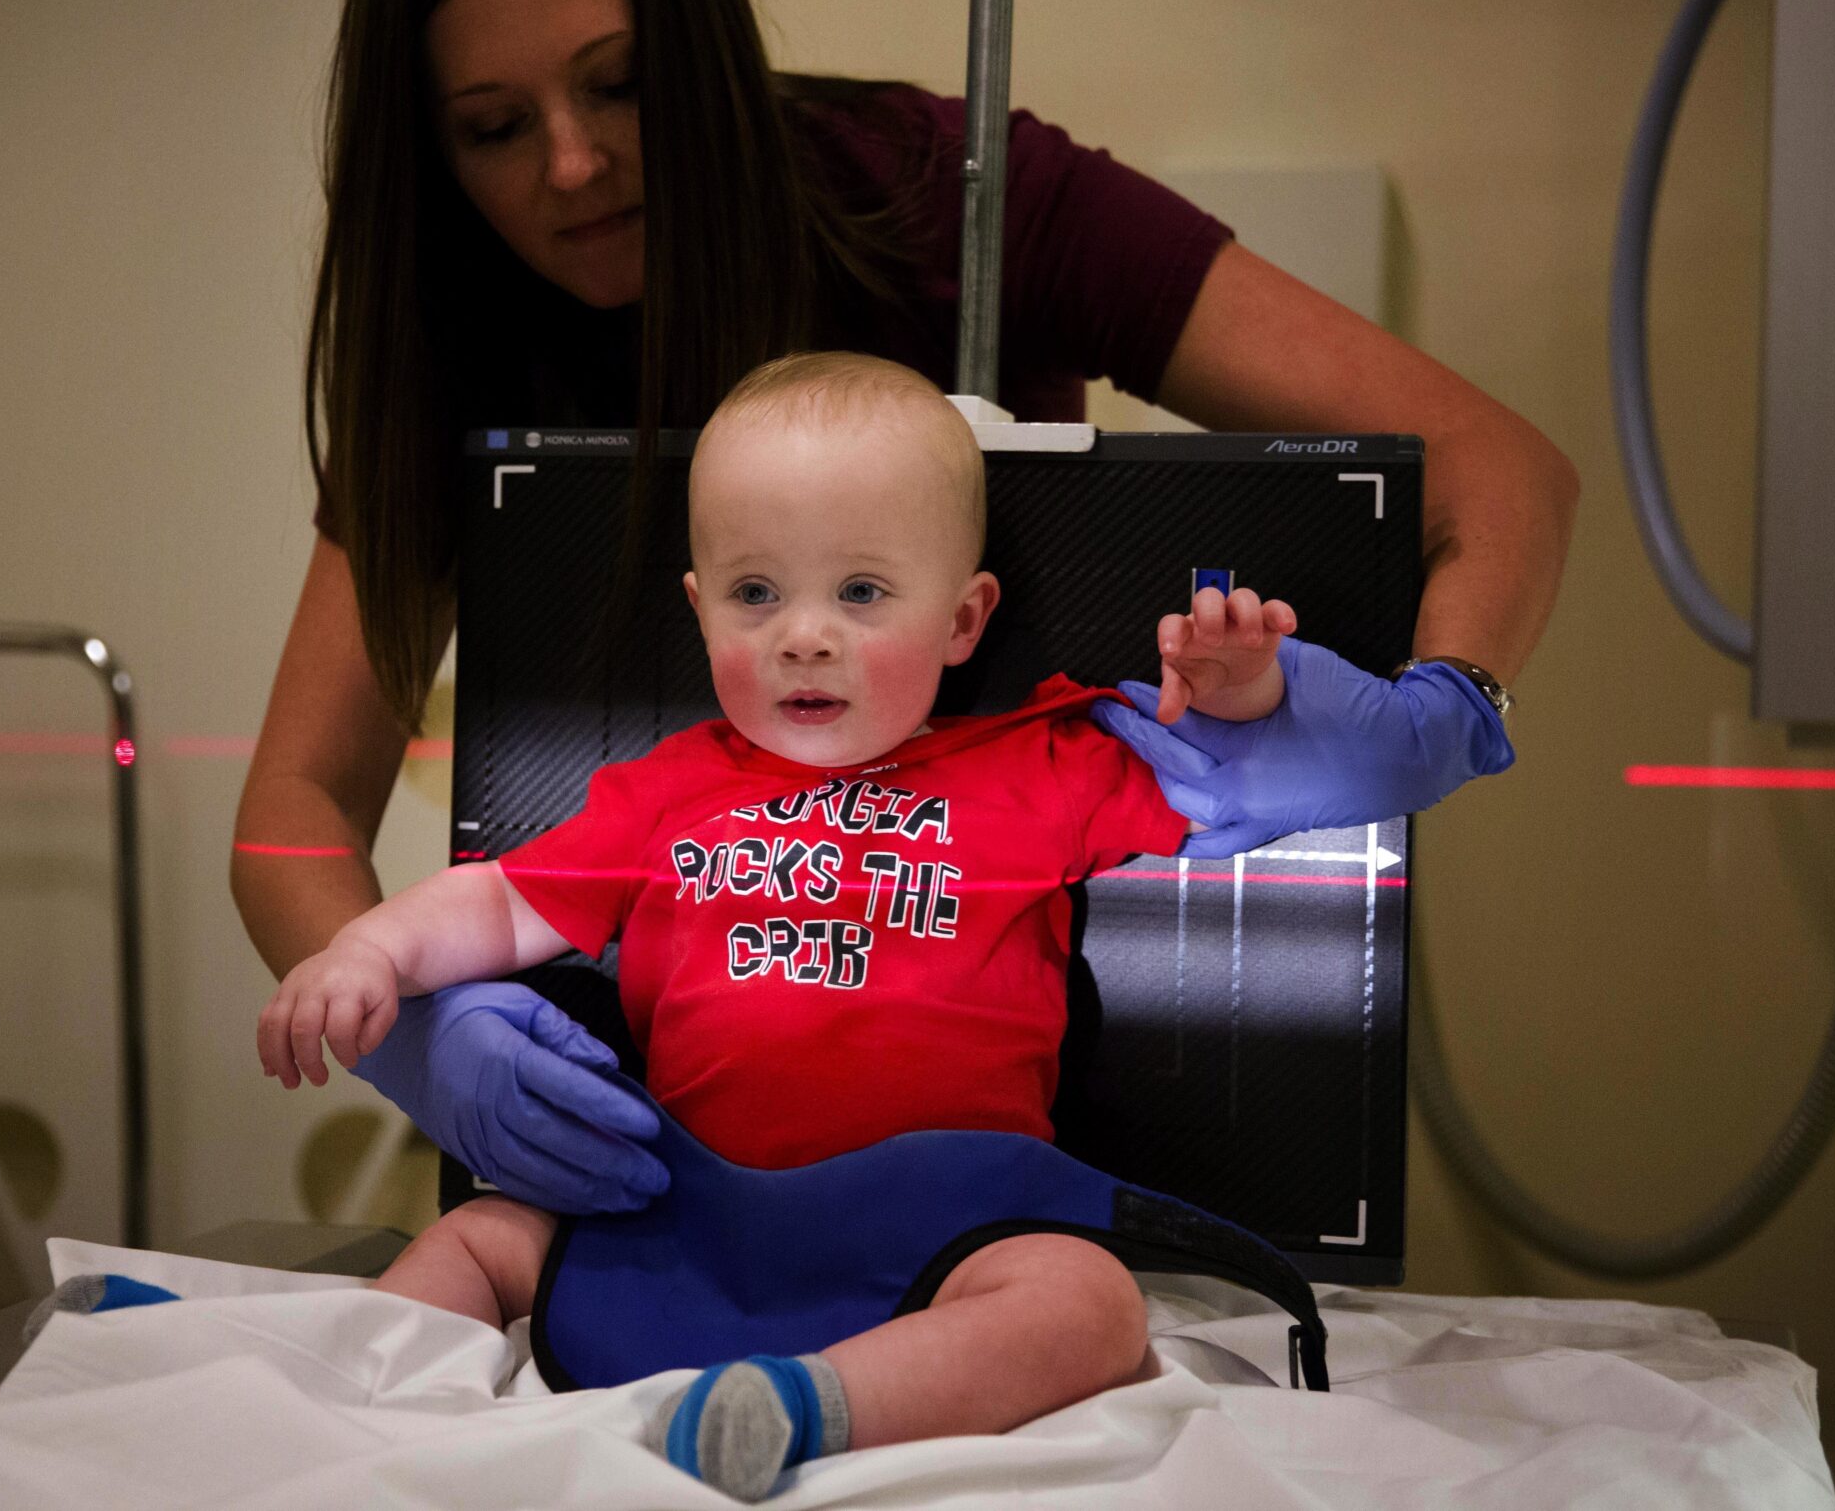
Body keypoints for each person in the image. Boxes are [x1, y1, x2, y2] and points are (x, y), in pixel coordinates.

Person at [233, 0, 1574, 1217]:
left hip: (1058, 1137)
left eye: (621, 86)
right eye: (496, 128)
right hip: (660, 1169)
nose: (570, 165)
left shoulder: (949, 204)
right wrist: (419, 1034)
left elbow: (1505, 475)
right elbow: (291, 809)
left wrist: (1440, 709)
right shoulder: (458, 323)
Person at [258, 355, 1297, 1499]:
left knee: (1086, 1303)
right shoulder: (665, 789)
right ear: (700, 609)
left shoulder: (1042, 768)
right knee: (486, 1235)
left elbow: (1226, 786)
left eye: (861, 593)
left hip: (945, 1223)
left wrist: (1243, 686)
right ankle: (298, 1391)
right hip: (689, 1208)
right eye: (757, 594)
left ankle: (808, 1410)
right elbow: (504, 900)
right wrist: (370, 953)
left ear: (962, 619)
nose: (804, 636)